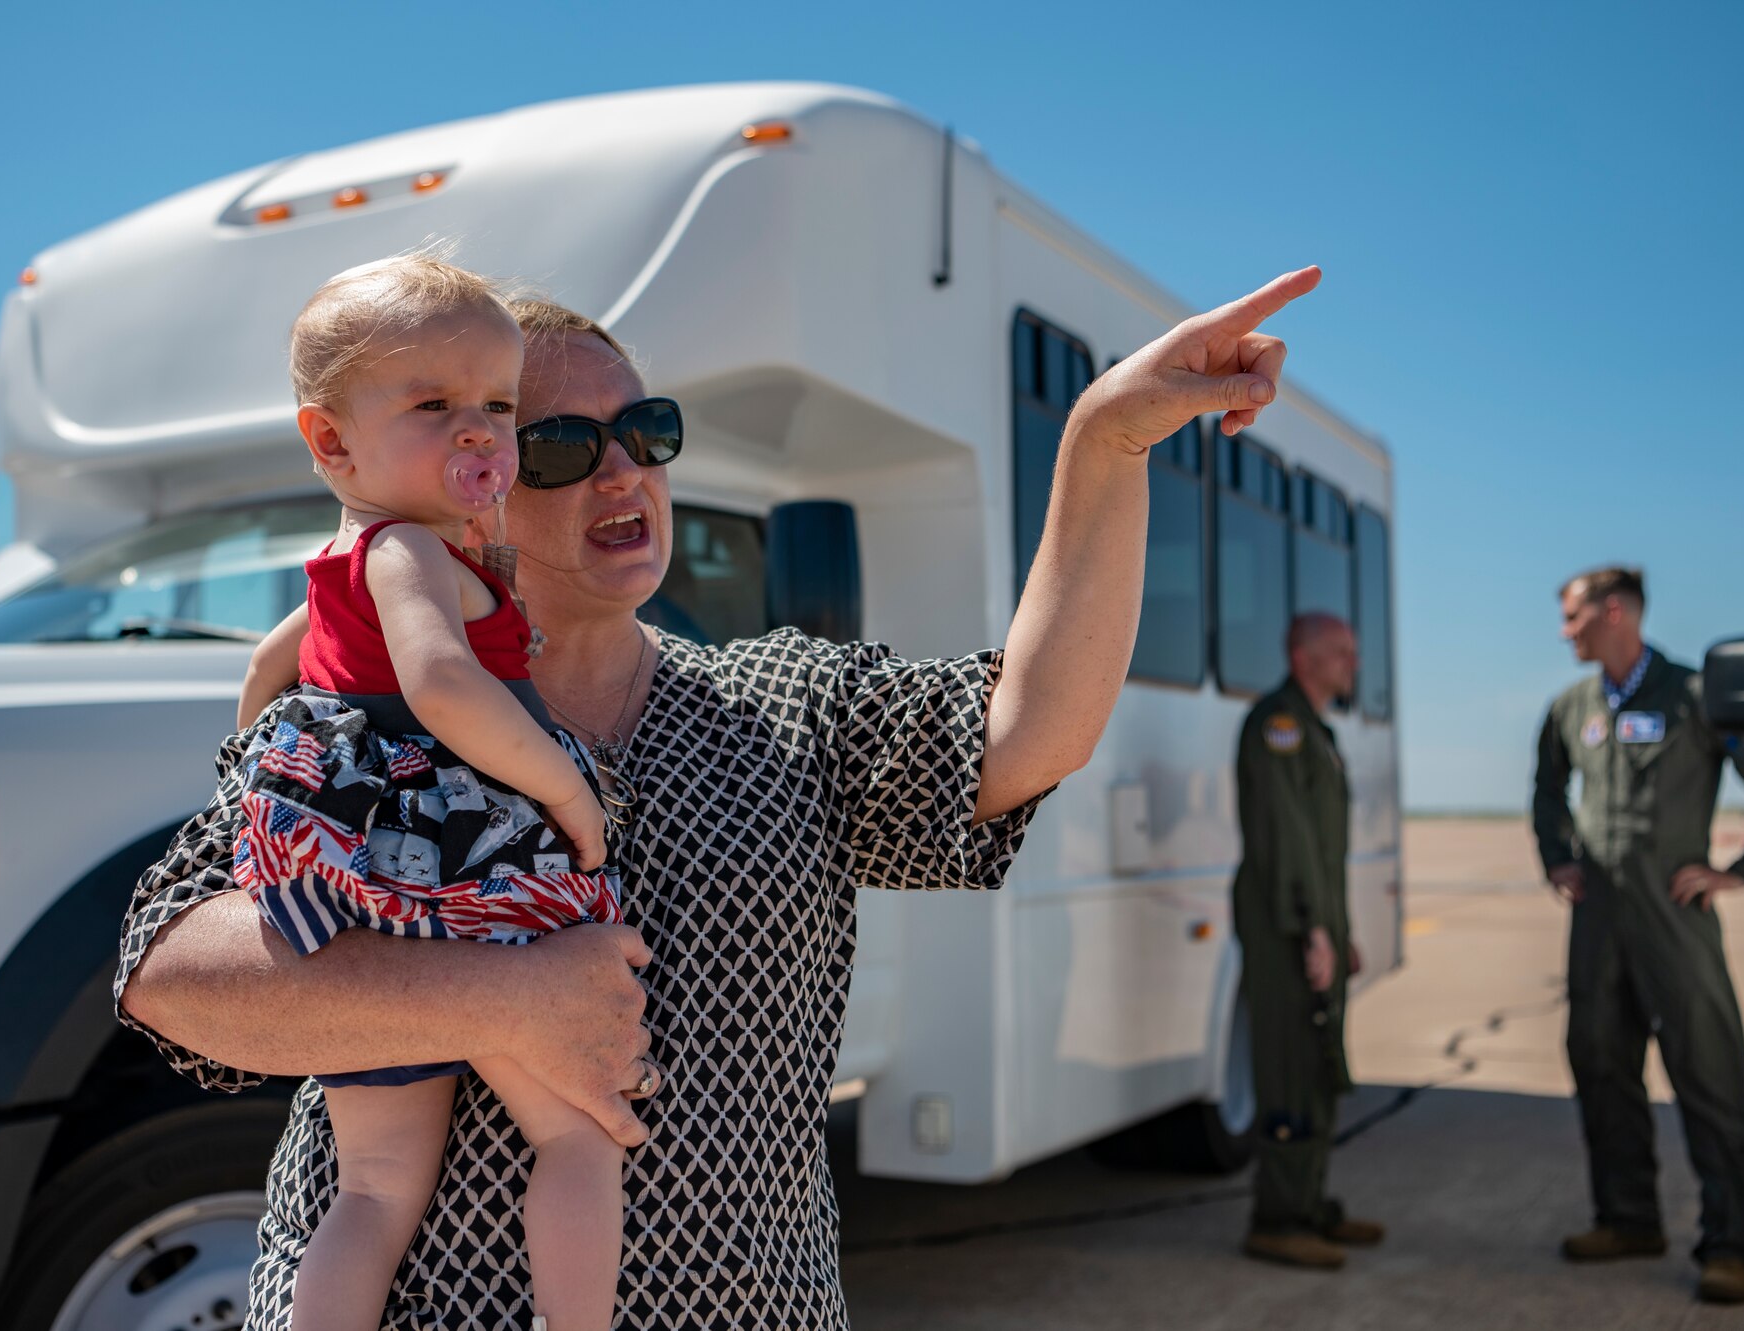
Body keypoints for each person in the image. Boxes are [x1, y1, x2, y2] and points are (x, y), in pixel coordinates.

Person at [116, 265, 1321, 1329]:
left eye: (645, 430)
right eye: (562, 446)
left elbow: (1029, 731)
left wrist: (1102, 443)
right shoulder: (354, 725)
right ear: (465, 484)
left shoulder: (785, 700)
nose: (623, 469)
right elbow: (171, 972)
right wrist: (505, 996)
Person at [221, 256, 632, 1331]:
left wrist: (254, 767)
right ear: (330, 440)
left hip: (364, 890)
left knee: (372, 1188)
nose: (479, 431)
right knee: (577, 1134)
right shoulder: (406, 549)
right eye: (433, 403)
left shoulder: (352, 552)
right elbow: (443, 681)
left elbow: (273, 663)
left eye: (497, 405)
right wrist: (566, 794)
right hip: (461, 864)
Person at [1532, 566, 1744, 1306]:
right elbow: (1547, 787)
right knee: (1598, 1062)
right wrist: (1557, 855)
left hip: (1672, 920)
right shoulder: (1573, 707)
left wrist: (1742, 870)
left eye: (1573, 616)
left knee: (1710, 1074)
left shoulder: (1696, 697)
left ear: (1613, 611)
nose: (1565, 632)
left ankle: (1729, 1245)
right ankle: (1627, 1219)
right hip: (1599, 924)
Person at [1232, 613, 1383, 1269]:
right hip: (1284, 927)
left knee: (1317, 1062)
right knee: (1291, 1066)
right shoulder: (1280, 725)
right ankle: (1279, 1217)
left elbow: (1323, 851)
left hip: (1313, 924)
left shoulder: (1316, 730)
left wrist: (1339, 930)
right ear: (1302, 655)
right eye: (1340, 652)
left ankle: (1309, 1202)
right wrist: (1312, 929)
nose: (1353, 661)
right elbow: (1285, 838)